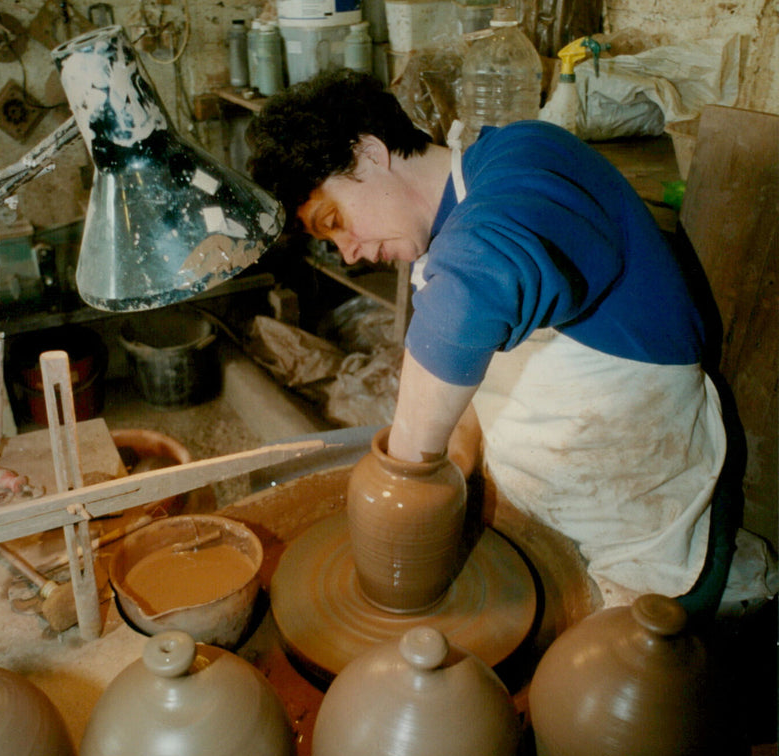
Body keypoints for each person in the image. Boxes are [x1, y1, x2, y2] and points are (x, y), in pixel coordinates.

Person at [247, 68, 748, 620]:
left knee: (597, 686)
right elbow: (470, 388)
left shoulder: (529, 162)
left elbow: (481, 276)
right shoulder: (438, 244)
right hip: (547, 504)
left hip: (646, 526)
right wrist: (448, 475)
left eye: (336, 220)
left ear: (369, 154)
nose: (349, 252)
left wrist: (406, 476)